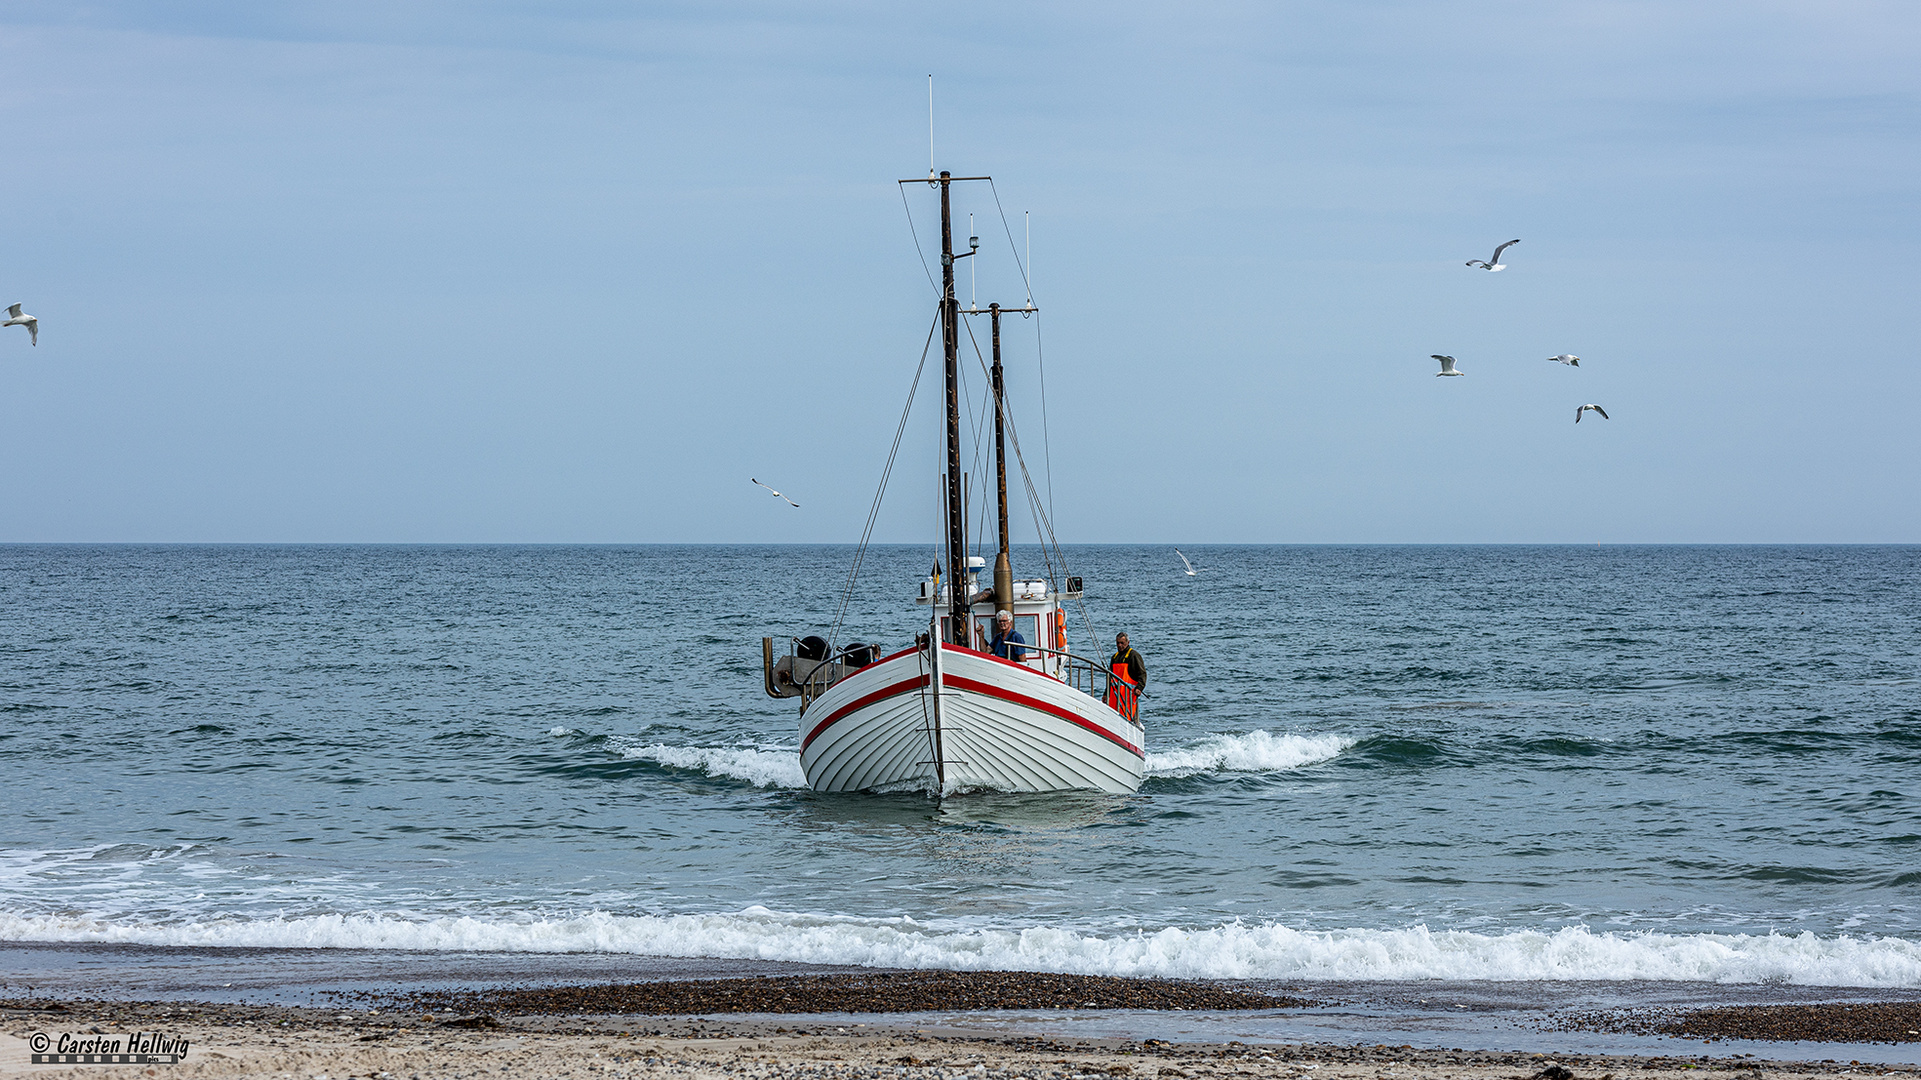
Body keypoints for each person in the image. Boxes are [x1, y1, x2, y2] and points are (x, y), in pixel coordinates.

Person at [1106, 631, 1146, 718]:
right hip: (1115, 697)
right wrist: (1106, 694)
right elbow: (1110, 678)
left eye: (1122, 643)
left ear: (1128, 643)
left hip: (1129, 697)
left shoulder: (1134, 655)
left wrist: (1139, 688)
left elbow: (1142, 674)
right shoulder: (1114, 657)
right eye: (1118, 643)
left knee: (1130, 718)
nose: (1119, 645)